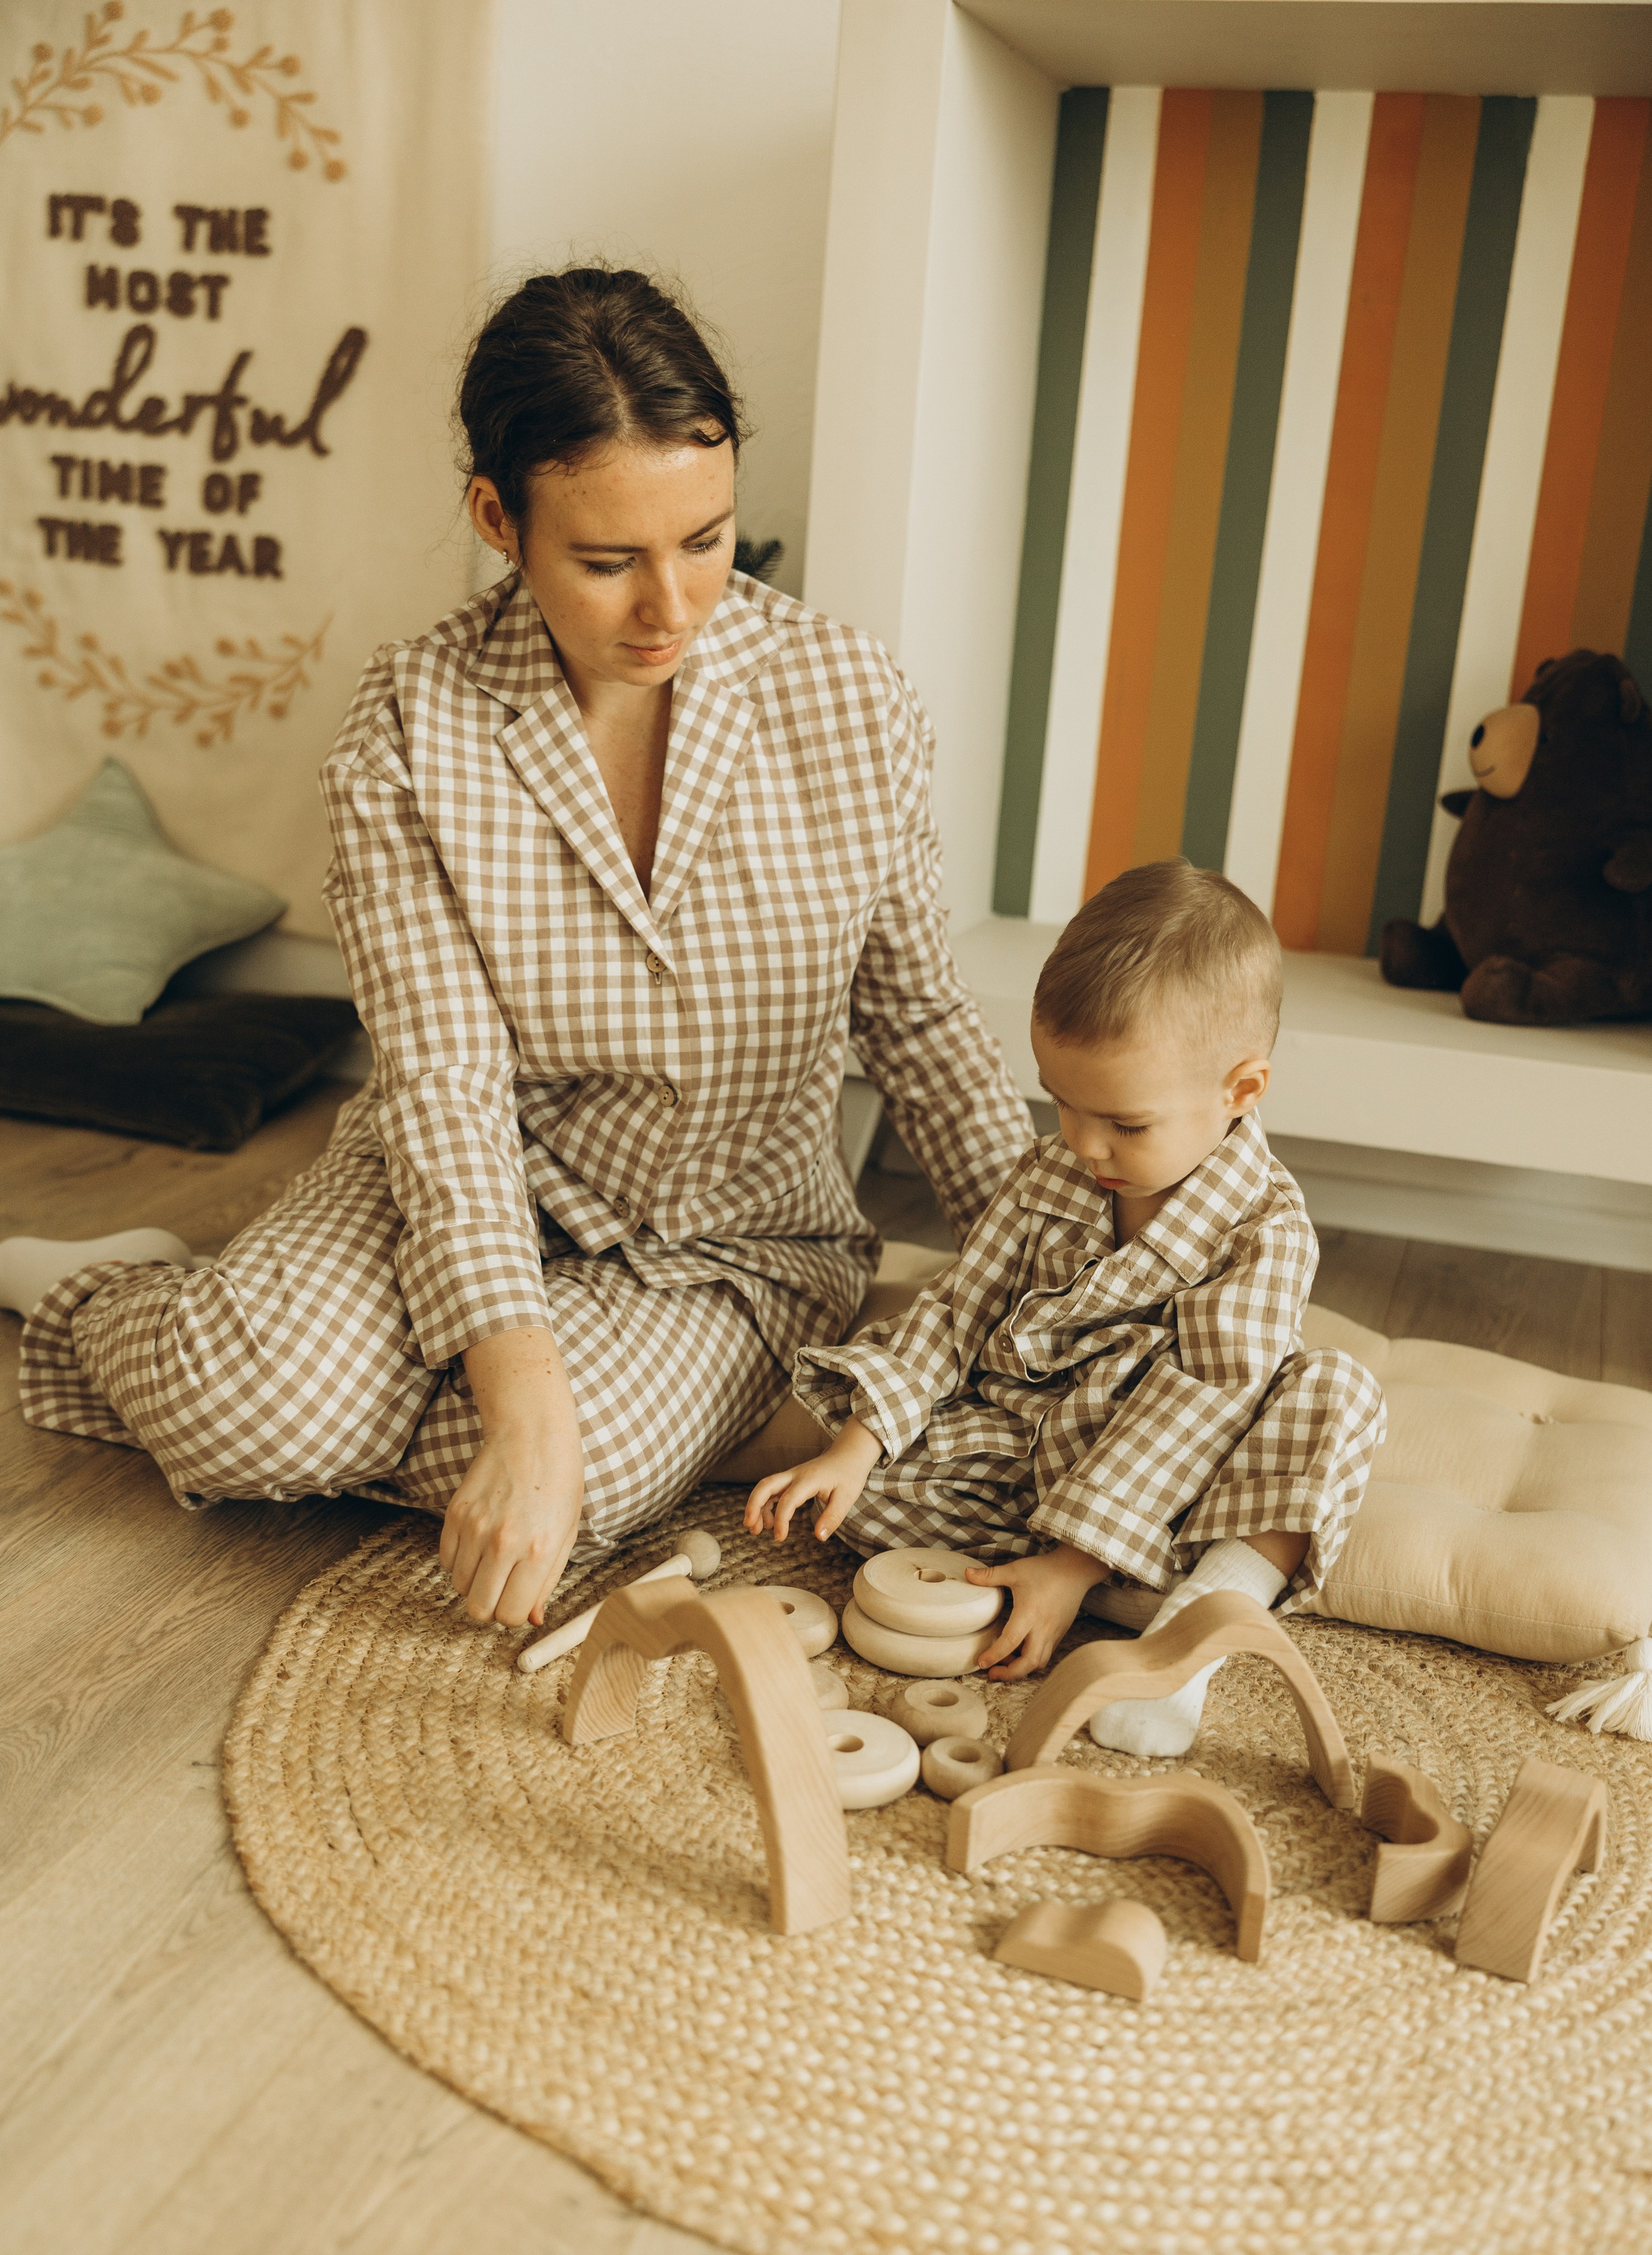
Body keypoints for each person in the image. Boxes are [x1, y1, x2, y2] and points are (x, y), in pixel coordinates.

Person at [3, 267, 1032, 1629]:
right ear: (499, 520)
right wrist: (517, 1391)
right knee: (239, 1401)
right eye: (607, 562)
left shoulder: (850, 699)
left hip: (726, 1246)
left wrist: (1059, 1290)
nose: (670, 605)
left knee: (570, 1463)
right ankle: (98, 1291)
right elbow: (438, 1086)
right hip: (461, 1176)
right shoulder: (408, 729)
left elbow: (921, 1027)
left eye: (708, 540)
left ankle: (378, 1373)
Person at [745, 858, 1386, 1757]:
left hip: (1171, 1485)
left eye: (1126, 1124)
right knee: (857, 1500)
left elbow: (1204, 1399)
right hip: (1018, 1461)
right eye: (1060, 1103)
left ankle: (1189, 1628)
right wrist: (860, 1444)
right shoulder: (1050, 1174)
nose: (1083, 1145)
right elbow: (957, 1312)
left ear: (1240, 1091)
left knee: (1336, 1396)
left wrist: (1076, 1555)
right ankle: (1068, 1585)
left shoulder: (1267, 1233)